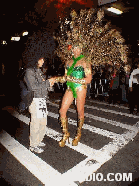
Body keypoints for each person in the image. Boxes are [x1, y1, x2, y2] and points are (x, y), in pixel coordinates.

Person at [54, 46, 92, 147]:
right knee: (62, 110)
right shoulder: (68, 62)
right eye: (74, 48)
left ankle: (78, 134)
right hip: (70, 87)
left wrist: (75, 80)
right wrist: (55, 79)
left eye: (78, 48)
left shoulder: (85, 62)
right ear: (71, 50)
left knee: (80, 111)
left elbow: (88, 79)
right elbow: (65, 77)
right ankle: (66, 133)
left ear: (81, 49)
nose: (76, 51)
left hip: (80, 88)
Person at [24, 57, 55, 153]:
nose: (43, 61)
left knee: (43, 122)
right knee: (35, 123)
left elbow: (43, 86)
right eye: (41, 59)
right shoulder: (29, 71)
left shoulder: (39, 71)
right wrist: (47, 83)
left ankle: (38, 140)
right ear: (35, 59)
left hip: (42, 100)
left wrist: (50, 86)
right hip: (34, 100)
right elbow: (33, 87)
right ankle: (33, 145)